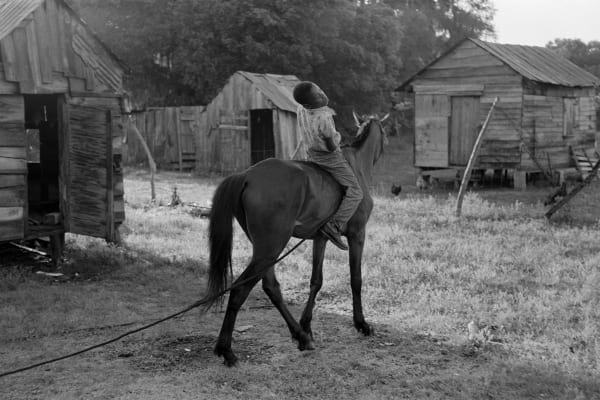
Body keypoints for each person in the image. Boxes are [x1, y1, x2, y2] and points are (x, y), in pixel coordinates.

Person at [293, 81, 363, 250]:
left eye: (320, 89)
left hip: (309, 154)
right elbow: (332, 147)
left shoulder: (300, 109)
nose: (323, 94)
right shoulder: (323, 117)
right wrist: (334, 140)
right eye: (318, 95)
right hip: (329, 158)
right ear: (310, 103)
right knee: (356, 191)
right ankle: (335, 226)